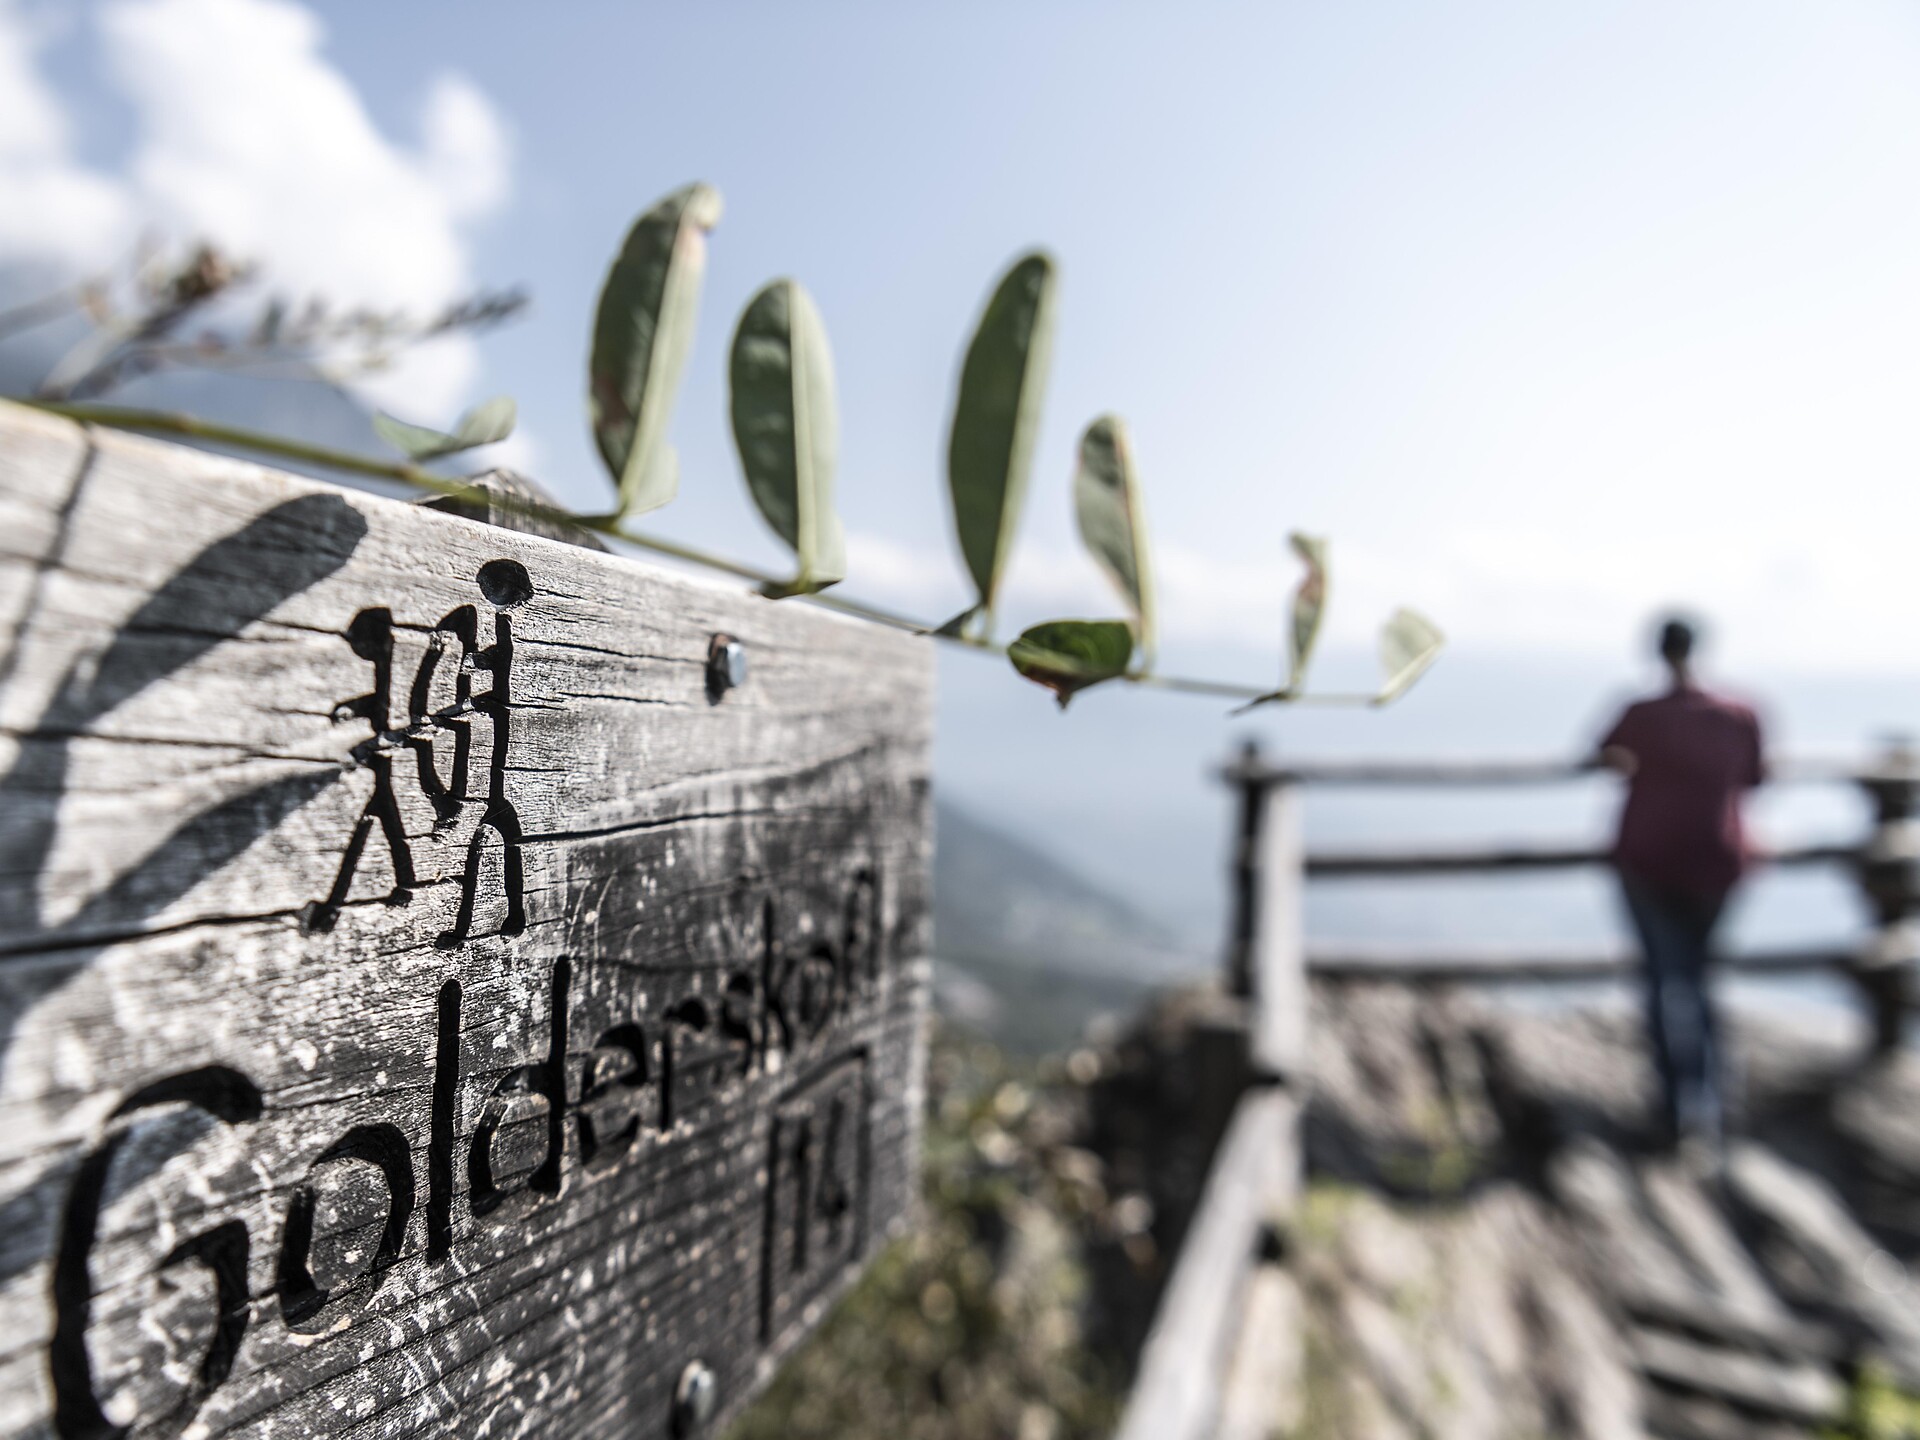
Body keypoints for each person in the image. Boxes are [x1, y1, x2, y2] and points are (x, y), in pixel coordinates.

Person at [1597, 616, 1765, 1152]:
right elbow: (1757, 778)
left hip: (1648, 862)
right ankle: (1717, 1109)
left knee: (1663, 984)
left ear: (1657, 652)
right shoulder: (1739, 714)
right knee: (1703, 983)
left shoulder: (1641, 715)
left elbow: (1604, 758)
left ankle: (1675, 1113)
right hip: (1719, 864)